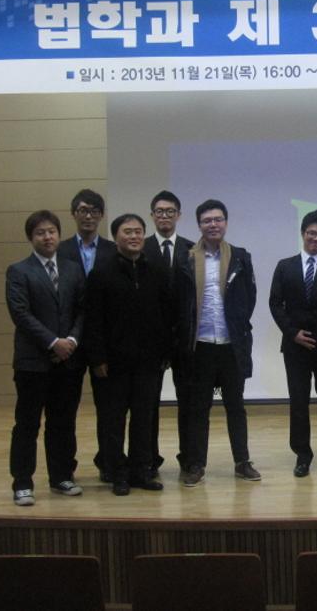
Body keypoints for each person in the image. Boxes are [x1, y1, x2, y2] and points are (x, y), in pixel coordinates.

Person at [84, 214, 172, 495]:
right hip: (112, 364)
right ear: (116, 237)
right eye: (127, 232)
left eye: (138, 231)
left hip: (148, 362)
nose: (134, 236)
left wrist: (165, 352)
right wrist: (97, 358)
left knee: (144, 419)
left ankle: (141, 471)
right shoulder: (101, 273)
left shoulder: (156, 270)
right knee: (113, 421)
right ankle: (117, 473)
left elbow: (166, 315)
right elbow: (93, 320)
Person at [175, 199, 260, 486]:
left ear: (225, 222)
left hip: (230, 345)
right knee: (199, 408)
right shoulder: (186, 258)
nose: (213, 224)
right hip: (200, 346)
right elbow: (181, 302)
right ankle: (196, 464)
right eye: (207, 220)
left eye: (218, 219)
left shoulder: (240, 257)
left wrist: (237, 324)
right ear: (199, 225)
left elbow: (249, 297)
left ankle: (242, 461)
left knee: (236, 406)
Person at [6, 210, 86, 506]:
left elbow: (82, 310)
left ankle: (61, 476)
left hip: (68, 362)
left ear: (59, 235)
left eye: (51, 231)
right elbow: (20, 314)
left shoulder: (73, 269)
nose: (47, 237)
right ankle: (22, 483)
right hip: (33, 363)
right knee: (27, 424)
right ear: (31, 237)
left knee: (62, 423)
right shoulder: (18, 271)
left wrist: (72, 340)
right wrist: (54, 342)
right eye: (40, 232)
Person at [268, 210, 317, 478]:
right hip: (295, 345)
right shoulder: (285, 266)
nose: (316, 238)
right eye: (311, 233)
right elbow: (275, 304)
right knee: (299, 401)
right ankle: (302, 455)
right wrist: (293, 333)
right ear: (303, 233)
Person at [56, 188, 116, 481]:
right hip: (70, 341)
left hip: (104, 343)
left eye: (94, 211)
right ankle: (65, 468)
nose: (88, 216)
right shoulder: (60, 250)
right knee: (65, 410)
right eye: (82, 210)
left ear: (102, 215)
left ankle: (108, 464)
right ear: (73, 214)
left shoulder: (114, 250)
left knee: (109, 409)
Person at [142, 190, 194, 477]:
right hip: (151, 341)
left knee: (188, 402)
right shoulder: (141, 248)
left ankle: (189, 458)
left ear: (179, 215)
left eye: (170, 211)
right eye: (160, 211)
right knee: (148, 404)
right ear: (152, 215)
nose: (165, 216)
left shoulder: (192, 249)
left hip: (185, 340)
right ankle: (149, 459)